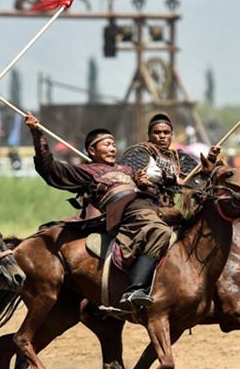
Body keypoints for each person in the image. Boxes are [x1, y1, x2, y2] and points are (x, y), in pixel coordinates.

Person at [25, 112, 171, 311]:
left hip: (147, 207)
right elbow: (49, 169)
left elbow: (149, 192)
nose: (112, 148)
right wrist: (37, 133)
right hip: (123, 212)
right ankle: (135, 289)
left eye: (113, 144)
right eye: (106, 144)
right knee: (160, 230)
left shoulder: (127, 170)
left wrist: (144, 185)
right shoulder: (86, 172)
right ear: (92, 150)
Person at [118, 113, 220, 207]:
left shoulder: (178, 157)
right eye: (157, 132)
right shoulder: (139, 151)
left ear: (171, 135)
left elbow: (199, 179)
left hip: (172, 206)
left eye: (166, 132)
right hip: (146, 203)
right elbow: (125, 173)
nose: (162, 136)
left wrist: (210, 159)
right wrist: (173, 179)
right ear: (149, 135)